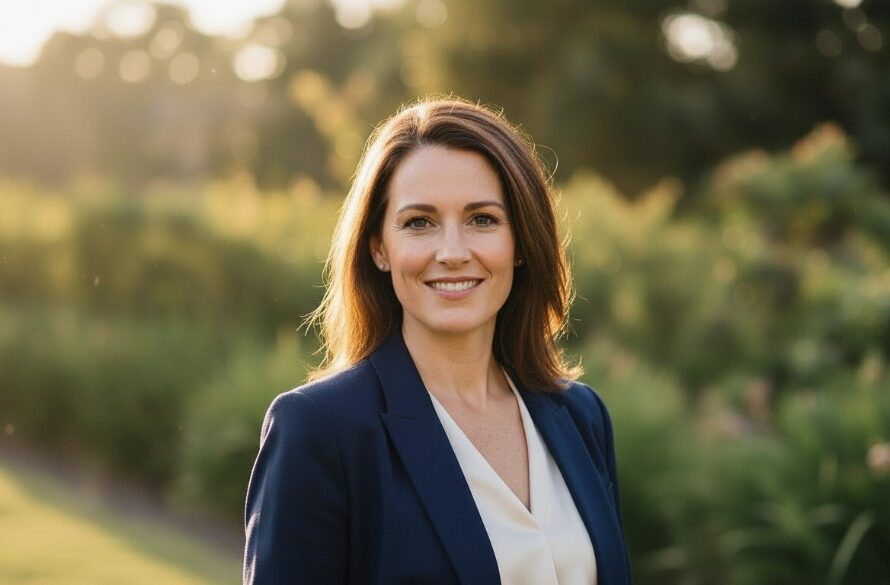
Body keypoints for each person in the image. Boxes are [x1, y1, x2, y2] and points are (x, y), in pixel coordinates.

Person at [243, 97, 632, 584]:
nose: (451, 252)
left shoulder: (581, 416)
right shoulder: (321, 430)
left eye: (482, 219)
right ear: (379, 247)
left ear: (521, 244)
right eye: (419, 223)